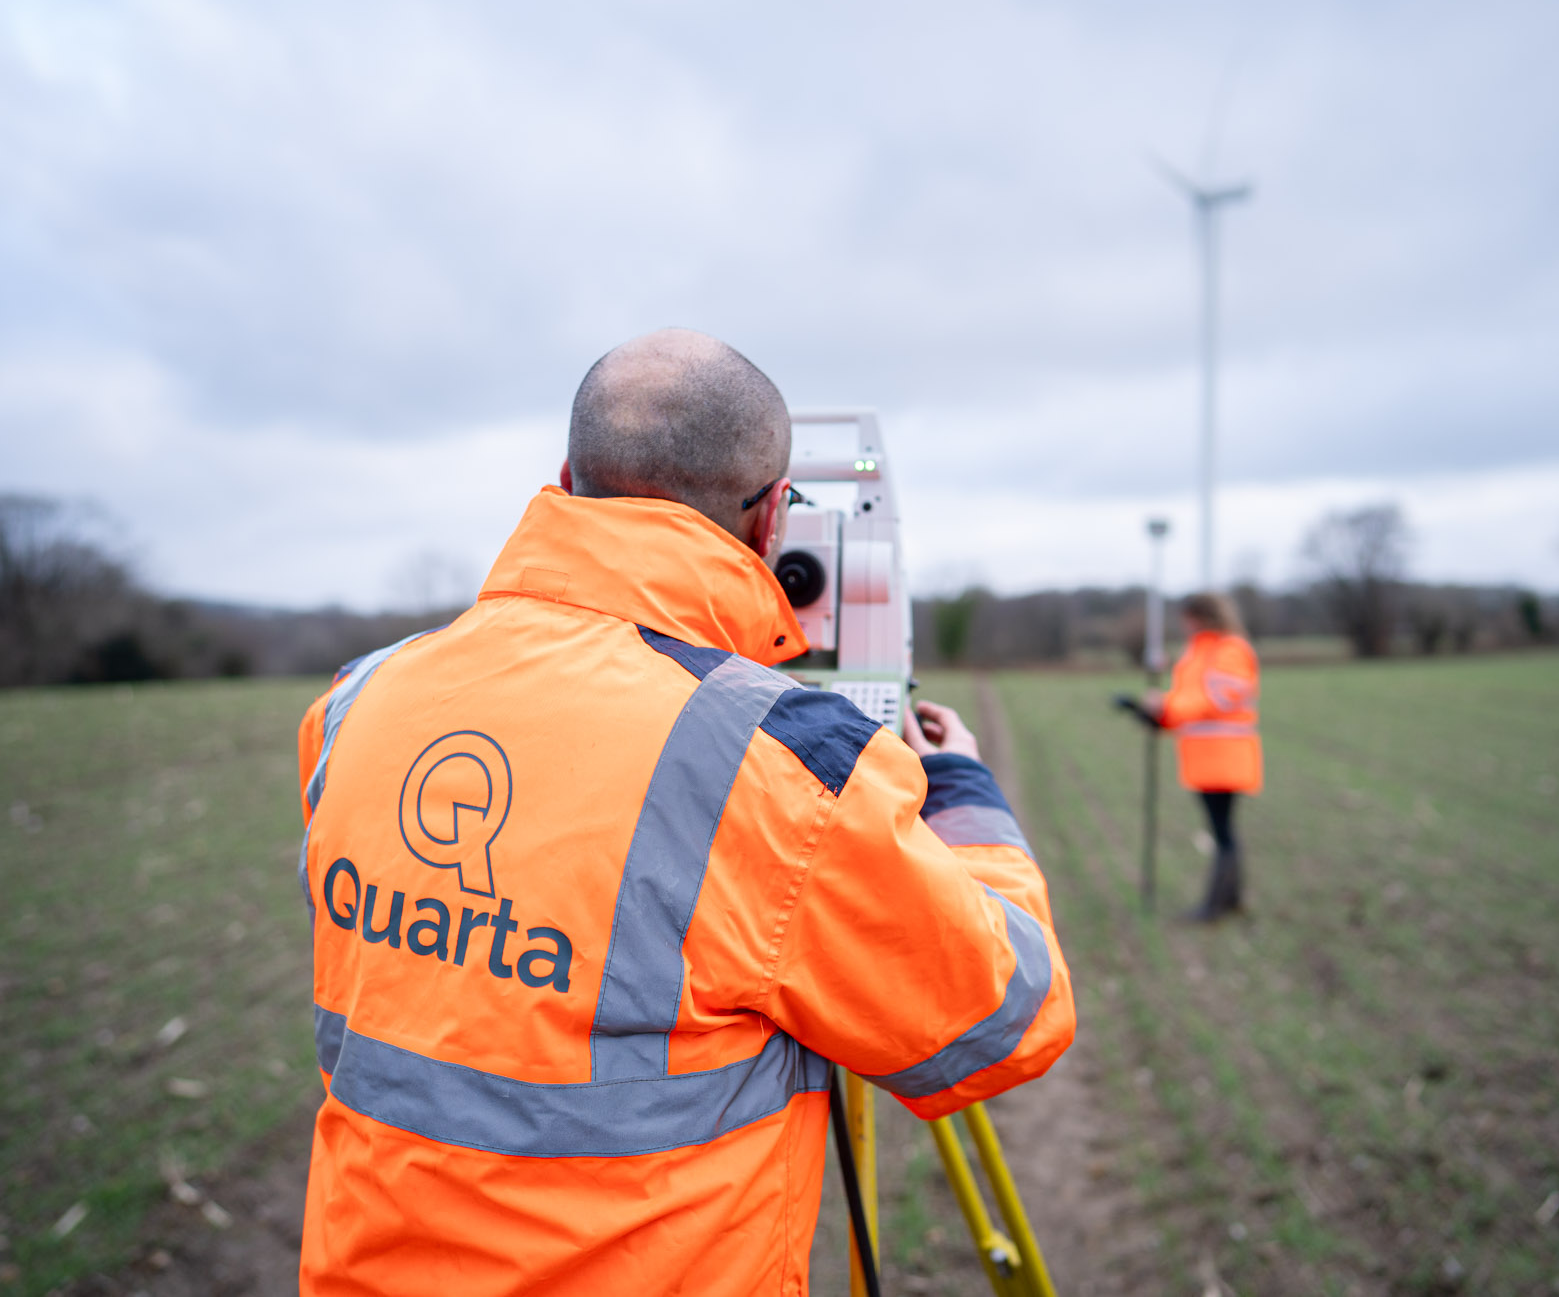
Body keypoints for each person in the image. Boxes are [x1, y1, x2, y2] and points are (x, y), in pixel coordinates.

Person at [293, 328, 1074, 1295]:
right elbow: (1007, 1015)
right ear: (774, 519)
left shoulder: (357, 700)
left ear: (567, 477)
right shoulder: (775, 767)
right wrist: (966, 800)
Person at [1144, 592, 1262, 922]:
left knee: (1223, 833)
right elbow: (1188, 701)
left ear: (1202, 616)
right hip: (1205, 759)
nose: (1184, 625)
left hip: (1225, 758)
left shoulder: (1232, 650)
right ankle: (1230, 899)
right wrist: (1159, 716)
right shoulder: (1196, 651)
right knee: (1223, 831)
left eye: (1188, 618)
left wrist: (1165, 707)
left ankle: (1216, 905)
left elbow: (1216, 699)